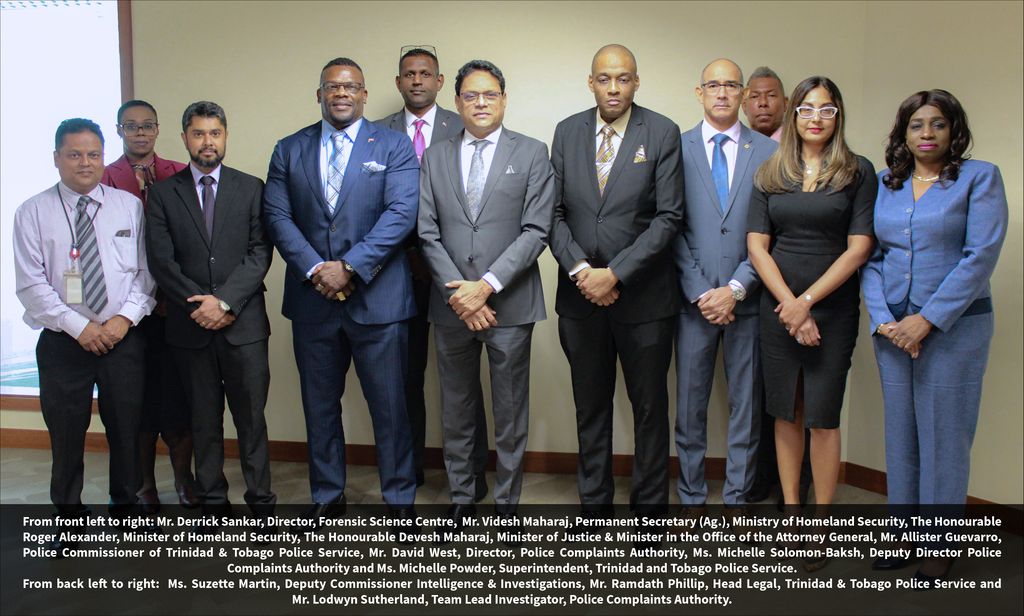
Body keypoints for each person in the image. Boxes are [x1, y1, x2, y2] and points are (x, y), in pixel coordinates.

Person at [263, 57, 419, 526]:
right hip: (314, 303)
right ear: (319, 95)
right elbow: (277, 216)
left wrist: (350, 266)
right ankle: (328, 495)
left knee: (391, 408)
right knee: (319, 406)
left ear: (365, 94)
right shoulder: (289, 149)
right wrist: (316, 269)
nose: (341, 93)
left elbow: (401, 214)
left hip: (379, 301)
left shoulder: (393, 146)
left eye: (351, 86)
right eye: (332, 86)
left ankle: (399, 501)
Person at [862, 90, 1007, 587]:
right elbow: (871, 257)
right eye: (916, 125)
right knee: (901, 437)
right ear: (903, 133)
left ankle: (938, 547)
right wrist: (884, 319)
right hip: (891, 333)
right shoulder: (887, 184)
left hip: (953, 331)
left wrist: (926, 320)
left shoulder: (978, 178)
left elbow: (979, 256)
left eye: (937, 124)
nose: (926, 133)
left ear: (953, 130)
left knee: (944, 440)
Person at [550, 44, 683, 533]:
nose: (613, 87)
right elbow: (553, 214)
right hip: (580, 300)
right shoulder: (567, 132)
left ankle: (649, 514)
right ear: (590, 82)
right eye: (604, 78)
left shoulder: (662, 132)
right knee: (591, 406)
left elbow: (669, 217)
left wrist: (617, 273)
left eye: (622, 78)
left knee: (649, 409)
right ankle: (595, 510)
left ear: (636, 82)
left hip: (645, 300)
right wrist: (584, 272)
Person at [418, 59, 554, 534]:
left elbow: (537, 230)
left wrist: (486, 287)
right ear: (456, 102)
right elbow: (427, 231)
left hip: (509, 305)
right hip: (452, 303)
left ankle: (507, 503)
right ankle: (461, 496)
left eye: (489, 95)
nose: (480, 103)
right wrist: (461, 294)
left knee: (510, 409)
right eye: (471, 96)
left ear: (503, 98)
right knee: (455, 405)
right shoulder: (435, 156)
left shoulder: (533, 153)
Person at [746, 76, 876, 571]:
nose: (815, 117)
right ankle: (793, 517)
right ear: (793, 116)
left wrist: (808, 303)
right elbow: (757, 245)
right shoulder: (771, 170)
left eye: (826, 109)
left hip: (833, 310)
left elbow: (859, 247)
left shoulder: (857, 171)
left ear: (837, 116)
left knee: (822, 416)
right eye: (806, 109)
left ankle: (821, 524)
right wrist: (790, 306)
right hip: (778, 310)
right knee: (785, 413)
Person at [13, 119, 155, 538]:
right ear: (57, 158)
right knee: (66, 433)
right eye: (74, 154)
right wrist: (80, 328)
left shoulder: (128, 206)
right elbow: (31, 284)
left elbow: (147, 273)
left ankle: (125, 510)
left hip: (121, 336)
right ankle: (70, 519)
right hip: (62, 341)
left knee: (127, 430)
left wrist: (121, 319)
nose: (85, 163)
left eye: (93, 154)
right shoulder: (32, 212)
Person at [145, 101, 276, 518]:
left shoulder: (251, 187)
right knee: (203, 422)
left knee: (251, 421)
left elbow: (259, 253)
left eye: (215, 133)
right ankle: (213, 503)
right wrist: (200, 305)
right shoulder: (164, 194)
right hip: (190, 329)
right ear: (184, 138)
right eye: (199, 133)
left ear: (225, 136)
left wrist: (224, 301)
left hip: (244, 326)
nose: (207, 142)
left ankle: (260, 503)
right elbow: (161, 262)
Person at [377, 47, 489, 499]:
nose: (417, 80)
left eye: (426, 74)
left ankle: (472, 473)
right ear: (399, 81)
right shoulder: (378, 133)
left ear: (442, 82)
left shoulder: (463, 121)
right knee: (405, 375)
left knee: (462, 379)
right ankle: (412, 467)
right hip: (397, 273)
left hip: (455, 274)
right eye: (409, 74)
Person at [674, 59, 776, 518]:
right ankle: (691, 496)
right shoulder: (676, 147)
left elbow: (774, 231)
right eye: (712, 84)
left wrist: (736, 287)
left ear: (743, 94)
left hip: (748, 300)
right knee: (690, 406)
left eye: (730, 85)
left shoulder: (769, 152)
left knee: (745, 410)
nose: (721, 92)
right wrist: (702, 291)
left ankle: (736, 498)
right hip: (692, 302)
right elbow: (670, 226)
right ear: (699, 92)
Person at [100, 99, 195, 513]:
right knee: (136, 406)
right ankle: (143, 485)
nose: (140, 132)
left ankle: (184, 478)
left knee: (179, 400)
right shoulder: (104, 179)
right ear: (120, 131)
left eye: (147, 125)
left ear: (158, 130)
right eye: (131, 126)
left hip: (175, 309)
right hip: (128, 315)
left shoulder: (180, 173)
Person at [741, 67, 787, 142]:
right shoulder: (736, 147)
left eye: (771, 95)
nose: (763, 103)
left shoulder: (802, 144)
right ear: (744, 106)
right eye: (755, 96)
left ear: (785, 103)